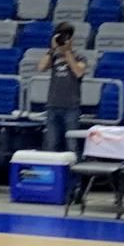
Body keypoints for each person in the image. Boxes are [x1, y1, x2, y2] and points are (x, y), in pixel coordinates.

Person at [37, 21, 87, 152]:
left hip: (71, 107)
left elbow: (78, 72)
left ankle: (72, 171)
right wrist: (52, 49)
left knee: (72, 145)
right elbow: (41, 67)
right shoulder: (54, 56)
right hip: (53, 105)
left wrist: (67, 52)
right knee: (51, 144)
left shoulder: (80, 57)